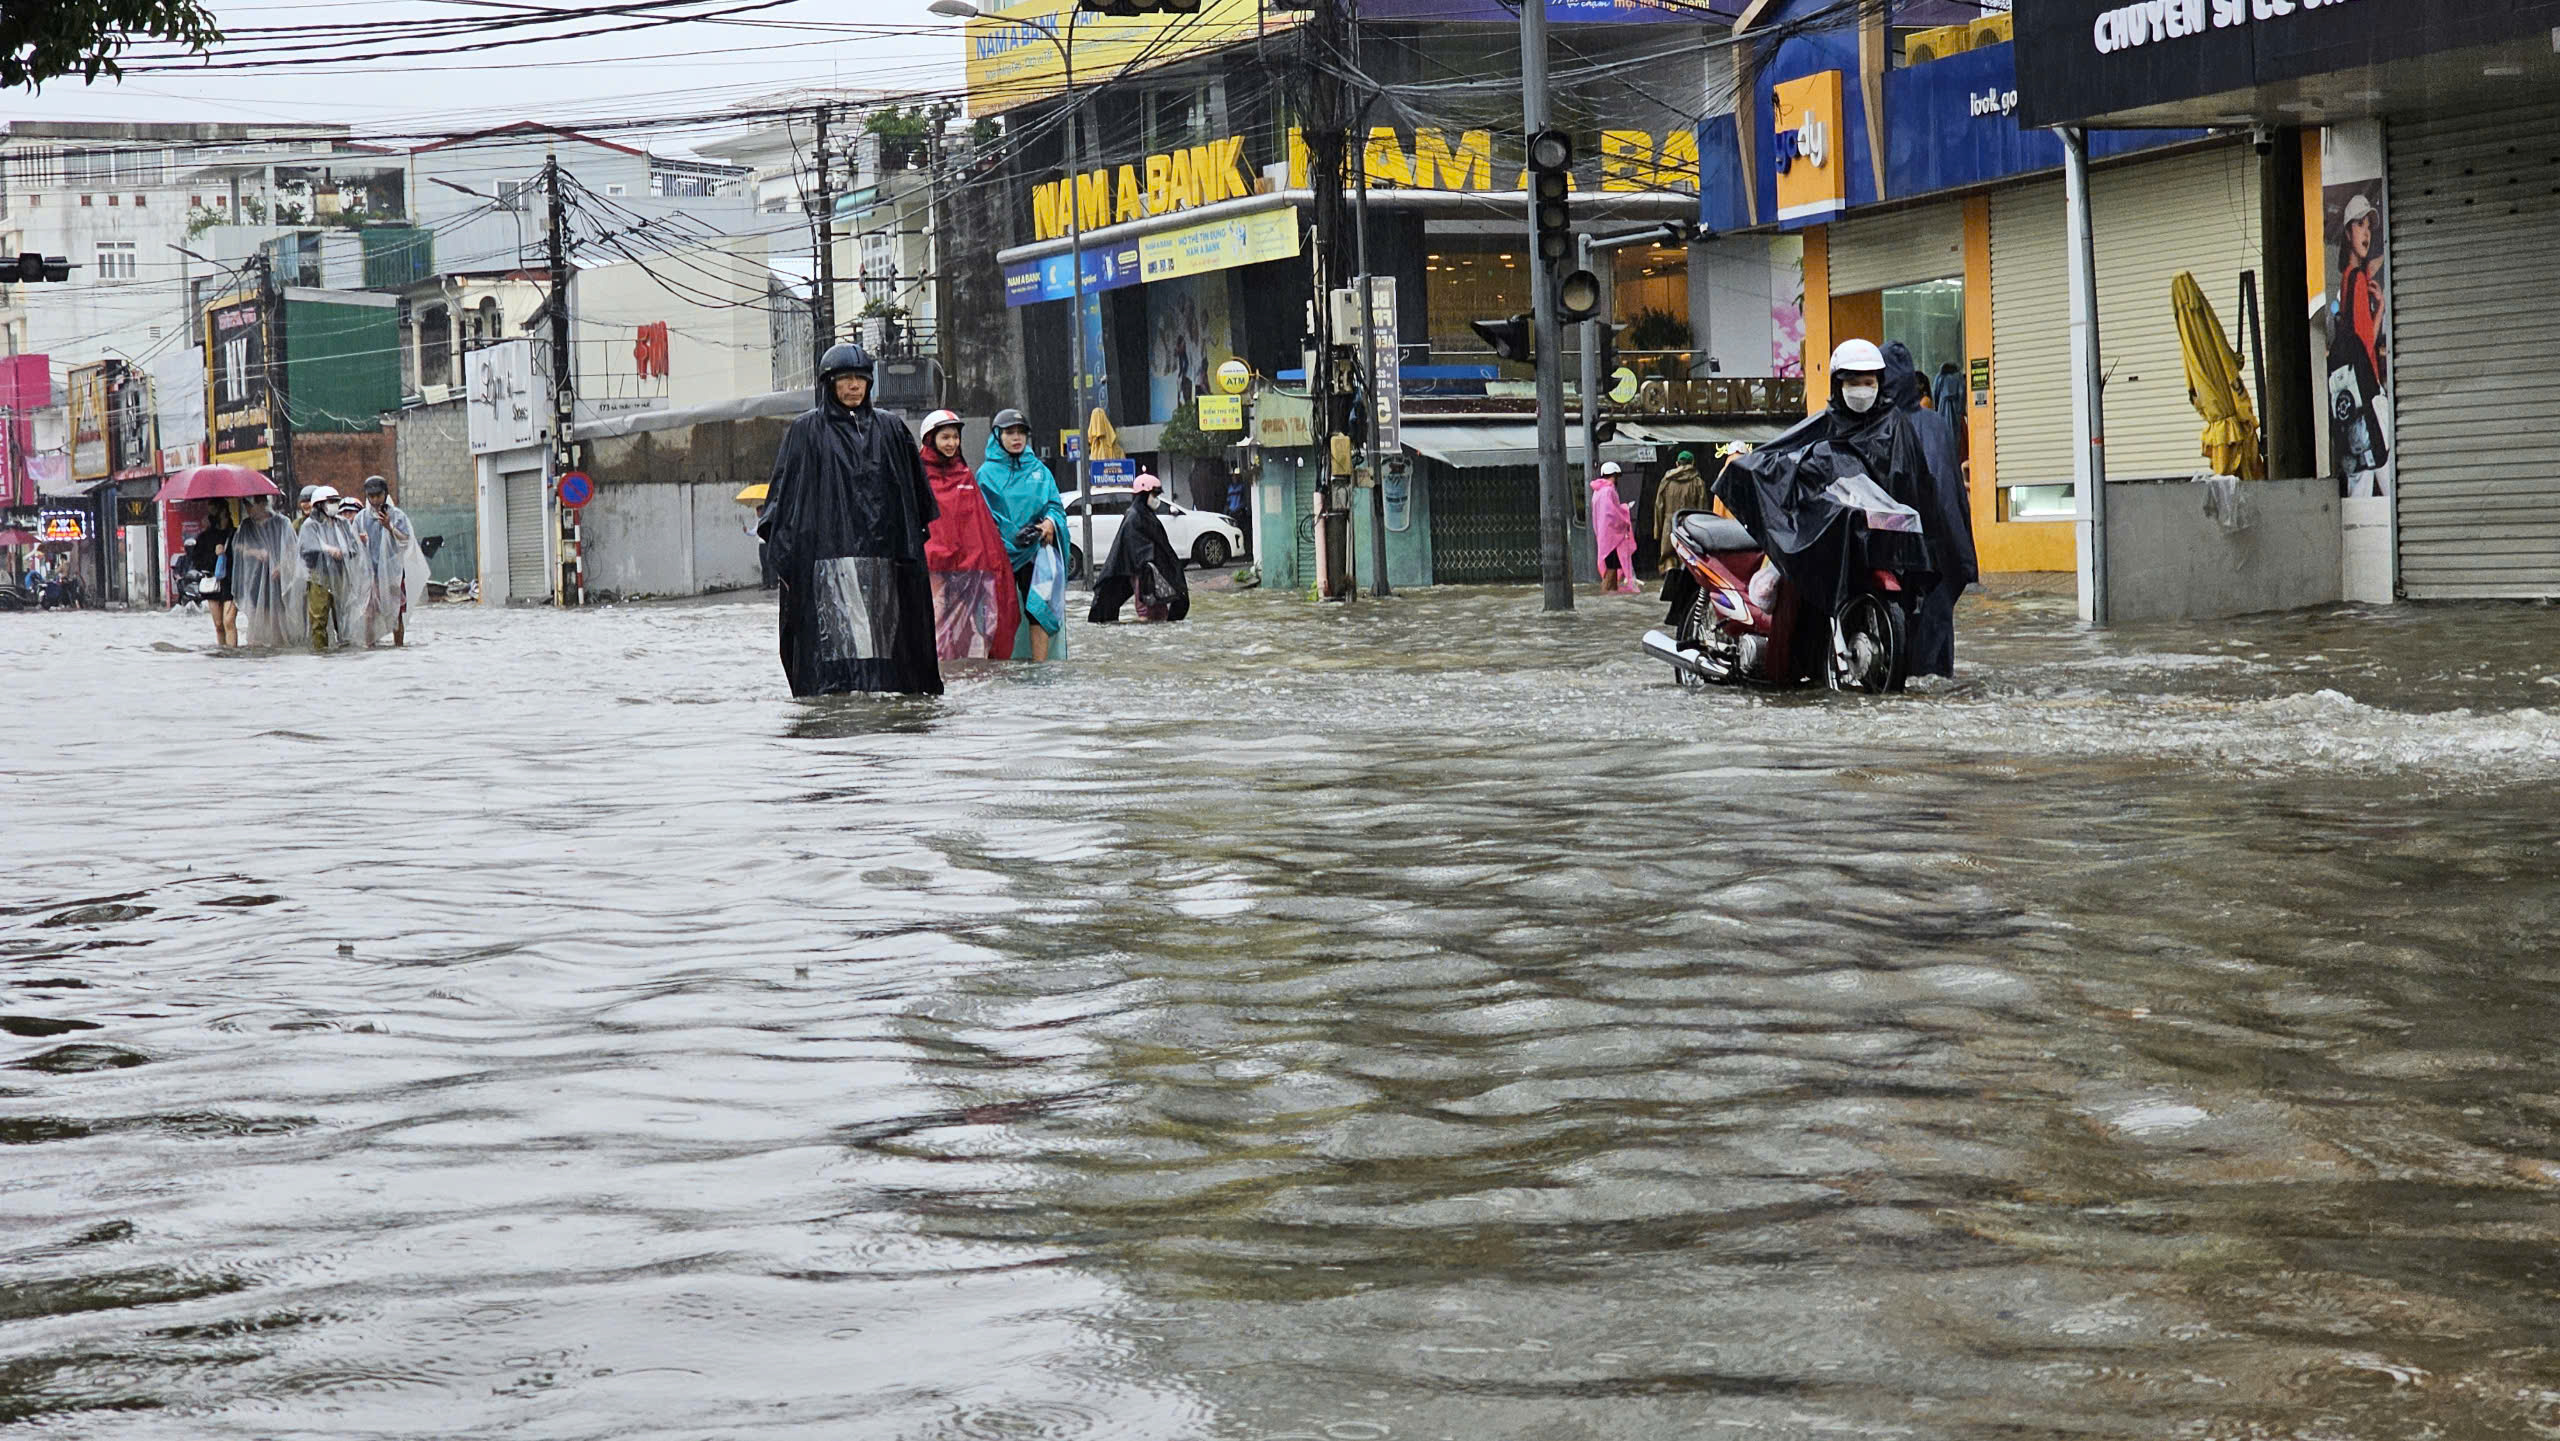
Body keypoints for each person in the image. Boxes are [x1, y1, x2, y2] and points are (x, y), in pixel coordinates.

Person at [756, 342, 942, 697]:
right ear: (830, 384)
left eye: (860, 379)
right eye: (845, 380)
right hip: (826, 557)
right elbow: (783, 499)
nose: (854, 386)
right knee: (833, 650)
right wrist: (790, 558)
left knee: (886, 645)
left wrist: (906, 549)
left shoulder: (891, 429)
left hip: (884, 558)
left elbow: (914, 498)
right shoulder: (806, 431)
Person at [1882, 341, 1978, 680]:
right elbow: (1951, 497)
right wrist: (1962, 558)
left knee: (1912, 654)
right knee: (1932, 653)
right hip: (1935, 555)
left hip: (1914, 555)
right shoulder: (1933, 425)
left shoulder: (1892, 427)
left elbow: (1944, 491)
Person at [916, 408, 1019, 660]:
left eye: (955, 437)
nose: (951, 443)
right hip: (933, 565)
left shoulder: (965, 475)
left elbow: (979, 524)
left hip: (968, 567)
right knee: (936, 622)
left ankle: (969, 679)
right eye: (945, 438)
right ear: (930, 439)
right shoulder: (917, 476)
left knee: (971, 629)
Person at [975, 407, 1070, 663]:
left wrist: (1049, 523)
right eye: (1009, 432)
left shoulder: (1040, 471)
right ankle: (997, 668)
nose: (1016, 438)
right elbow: (983, 517)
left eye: (1021, 432)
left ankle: (1040, 669)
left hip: (1035, 554)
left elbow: (1054, 506)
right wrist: (1008, 537)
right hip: (999, 556)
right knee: (997, 614)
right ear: (997, 435)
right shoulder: (985, 475)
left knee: (1039, 611)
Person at [1088, 472, 1191, 624]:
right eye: (1154, 494)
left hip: (1152, 575)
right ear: (1143, 494)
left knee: (1160, 612)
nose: (1157, 499)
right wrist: (1149, 560)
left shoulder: (1147, 516)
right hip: (1142, 577)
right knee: (1147, 611)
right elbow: (1134, 549)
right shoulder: (1134, 517)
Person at [353, 476, 426, 648]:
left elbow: (407, 540)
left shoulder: (398, 515)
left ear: (385, 494)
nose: (375, 500)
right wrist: (360, 540)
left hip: (393, 572)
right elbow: (352, 542)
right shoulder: (361, 518)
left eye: (378, 495)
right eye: (371, 496)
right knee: (369, 612)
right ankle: (369, 645)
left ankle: (398, 646)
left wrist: (389, 527)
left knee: (396, 611)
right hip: (370, 573)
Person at [228, 493, 306, 648]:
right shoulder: (246, 526)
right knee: (257, 615)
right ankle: (258, 648)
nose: (248, 510)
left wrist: (282, 566)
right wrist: (255, 552)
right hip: (256, 578)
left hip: (280, 579)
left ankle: (279, 647)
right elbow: (237, 547)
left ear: (261, 504)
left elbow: (293, 549)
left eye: (250, 505)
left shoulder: (282, 523)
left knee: (278, 616)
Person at [296, 485, 363, 651]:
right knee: (319, 618)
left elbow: (354, 548)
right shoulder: (310, 526)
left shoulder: (343, 524)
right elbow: (306, 550)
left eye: (335, 501)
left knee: (344, 615)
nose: (334, 505)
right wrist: (327, 549)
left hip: (340, 576)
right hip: (319, 578)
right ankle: (321, 652)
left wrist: (343, 552)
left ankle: (346, 649)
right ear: (319, 504)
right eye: (330, 502)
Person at [189, 500, 239, 646]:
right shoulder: (205, 538)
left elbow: (242, 558)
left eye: (225, 514)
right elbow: (198, 562)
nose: (223, 518)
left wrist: (227, 554)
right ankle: (222, 652)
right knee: (218, 625)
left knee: (228, 621)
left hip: (231, 583)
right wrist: (215, 555)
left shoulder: (235, 534)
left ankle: (232, 652)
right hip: (213, 583)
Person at [1590, 461, 1639, 594]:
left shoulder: (1598, 491)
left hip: (1604, 536)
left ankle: (1611, 595)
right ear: (1615, 475)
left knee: (1611, 567)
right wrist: (1624, 515)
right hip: (1611, 537)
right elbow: (1611, 513)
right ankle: (1606, 595)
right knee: (1611, 569)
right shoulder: (1608, 490)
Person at [1652, 449, 1706, 565]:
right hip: (1689, 524)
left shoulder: (1666, 481)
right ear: (1692, 463)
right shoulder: (1698, 482)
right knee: (1689, 556)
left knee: (1668, 557)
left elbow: (1659, 506)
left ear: (1677, 463)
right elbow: (1702, 508)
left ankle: (1670, 579)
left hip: (1669, 523)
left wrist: (1658, 530)